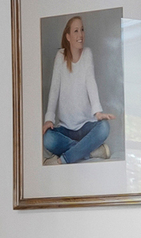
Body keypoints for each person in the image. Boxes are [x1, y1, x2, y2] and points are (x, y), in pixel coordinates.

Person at [42, 13, 116, 165]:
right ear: (68, 36)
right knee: (48, 139)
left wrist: (98, 112)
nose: (80, 34)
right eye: (75, 31)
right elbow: (54, 89)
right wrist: (49, 119)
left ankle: (65, 158)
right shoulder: (60, 56)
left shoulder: (87, 54)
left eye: (82, 30)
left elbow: (91, 82)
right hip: (66, 128)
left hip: (86, 126)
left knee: (104, 127)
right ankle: (92, 152)